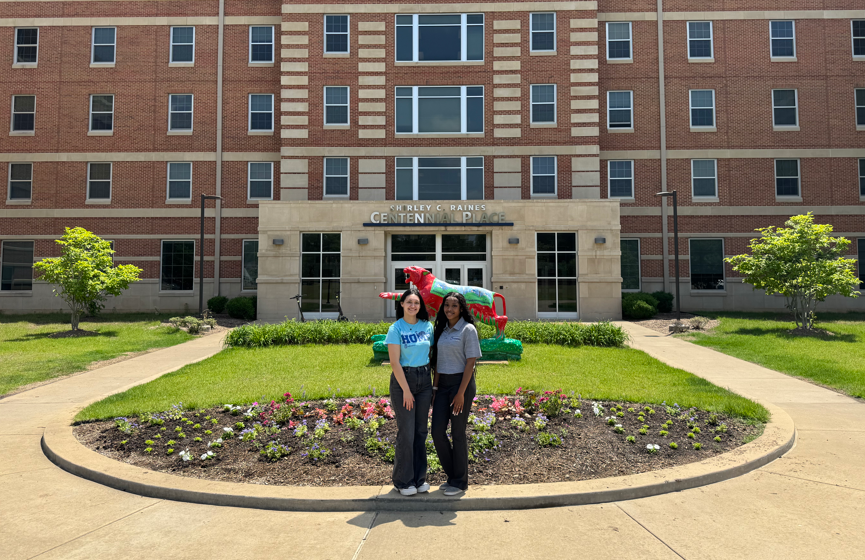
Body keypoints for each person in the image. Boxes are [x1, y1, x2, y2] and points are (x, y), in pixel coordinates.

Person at [430, 291, 482, 496]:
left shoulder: (468, 329)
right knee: (437, 432)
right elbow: (438, 362)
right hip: (442, 386)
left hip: (462, 385)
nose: (449, 309)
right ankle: (453, 476)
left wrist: (460, 393)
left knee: (458, 433)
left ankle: (460, 482)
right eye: (446, 305)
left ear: (461, 309)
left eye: (454, 306)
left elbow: (471, 362)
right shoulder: (442, 330)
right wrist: (435, 389)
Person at [385, 287, 434, 496]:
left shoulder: (427, 326)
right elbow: (394, 362)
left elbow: (431, 354)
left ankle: (419, 479)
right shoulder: (395, 329)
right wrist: (406, 390)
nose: (413, 306)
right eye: (409, 302)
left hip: (424, 380)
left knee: (421, 432)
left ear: (420, 306)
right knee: (407, 432)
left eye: (416, 302)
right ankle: (403, 481)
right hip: (403, 381)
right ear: (402, 304)